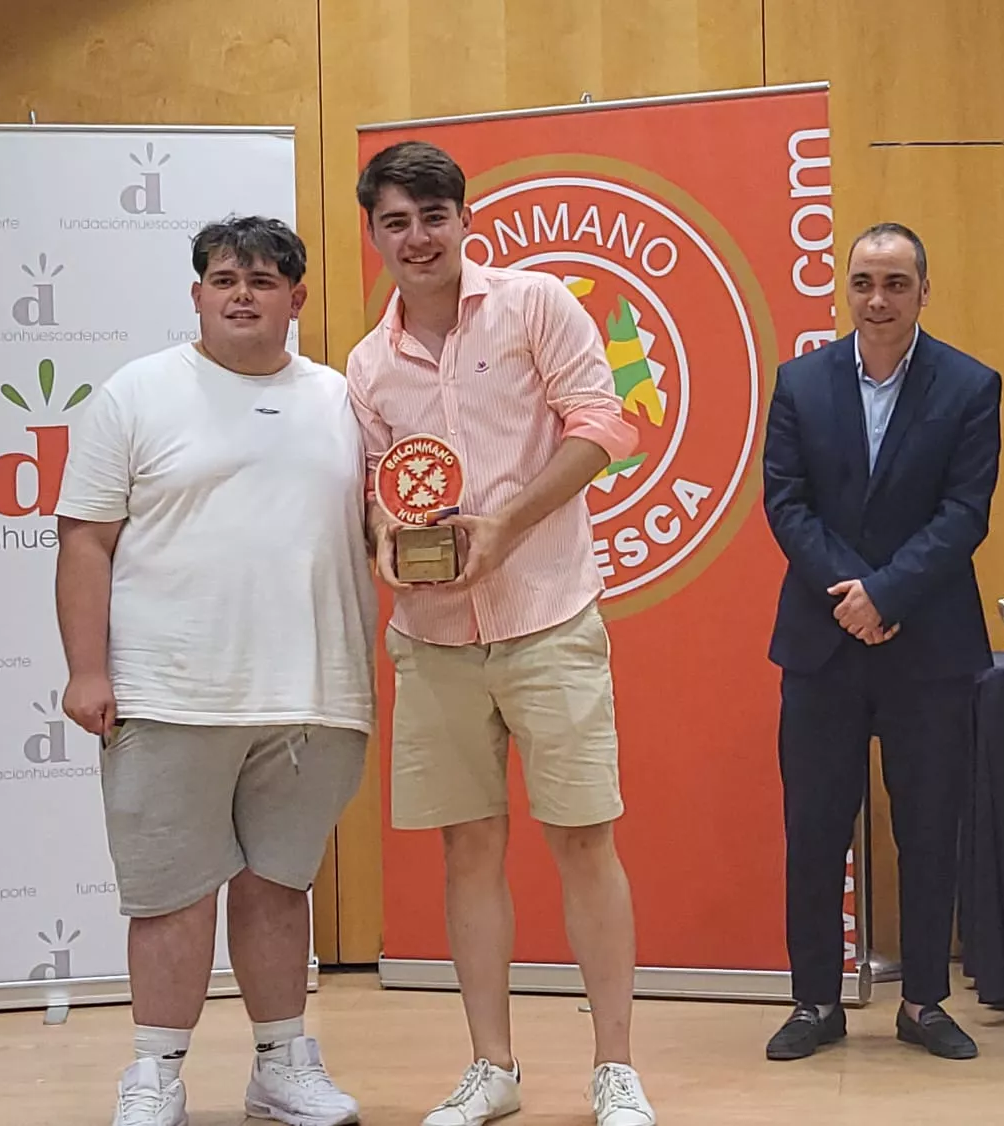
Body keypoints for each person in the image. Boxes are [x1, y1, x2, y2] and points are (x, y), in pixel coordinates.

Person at [345, 140, 656, 1126]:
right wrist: (385, 531)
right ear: (374, 235)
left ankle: (614, 1067)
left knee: (581, 838)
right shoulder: (365, 364)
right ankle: (493, 1067)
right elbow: (370, 487)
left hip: (546, 618)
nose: (416, 237)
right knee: (467, 850)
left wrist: (507, 521)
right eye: (395, 221)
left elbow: (605, 426)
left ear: (462, 220)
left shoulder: (534, 306)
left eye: (432, 216)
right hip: (432, 637)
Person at [54, 217, 374, 1126]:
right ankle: (154, 1073)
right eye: (225, 278)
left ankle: (281, 1064)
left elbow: (381, 527)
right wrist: (87, 669)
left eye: (265, 280)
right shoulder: (135, 394)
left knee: (280, 886)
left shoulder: (345, 400)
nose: (243, 293)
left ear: (297, 299)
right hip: (168, 691)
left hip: (316, 694)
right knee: (171, 896)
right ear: (196, 293)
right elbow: (85, 540)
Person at [759, 223, 1002, 1063]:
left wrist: (888, 593)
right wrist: (853, 597)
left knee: (930, 828)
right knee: (814, 829)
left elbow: (965, 513)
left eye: (896, 283)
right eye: (863, 281)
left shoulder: (971, 386)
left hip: (927, 645)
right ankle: (815, 1002)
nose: (878, 299)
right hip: (823, 643)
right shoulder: (799, 383)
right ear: (846, 289)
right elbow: (786, 504)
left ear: (924, 291)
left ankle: (927, 1001)